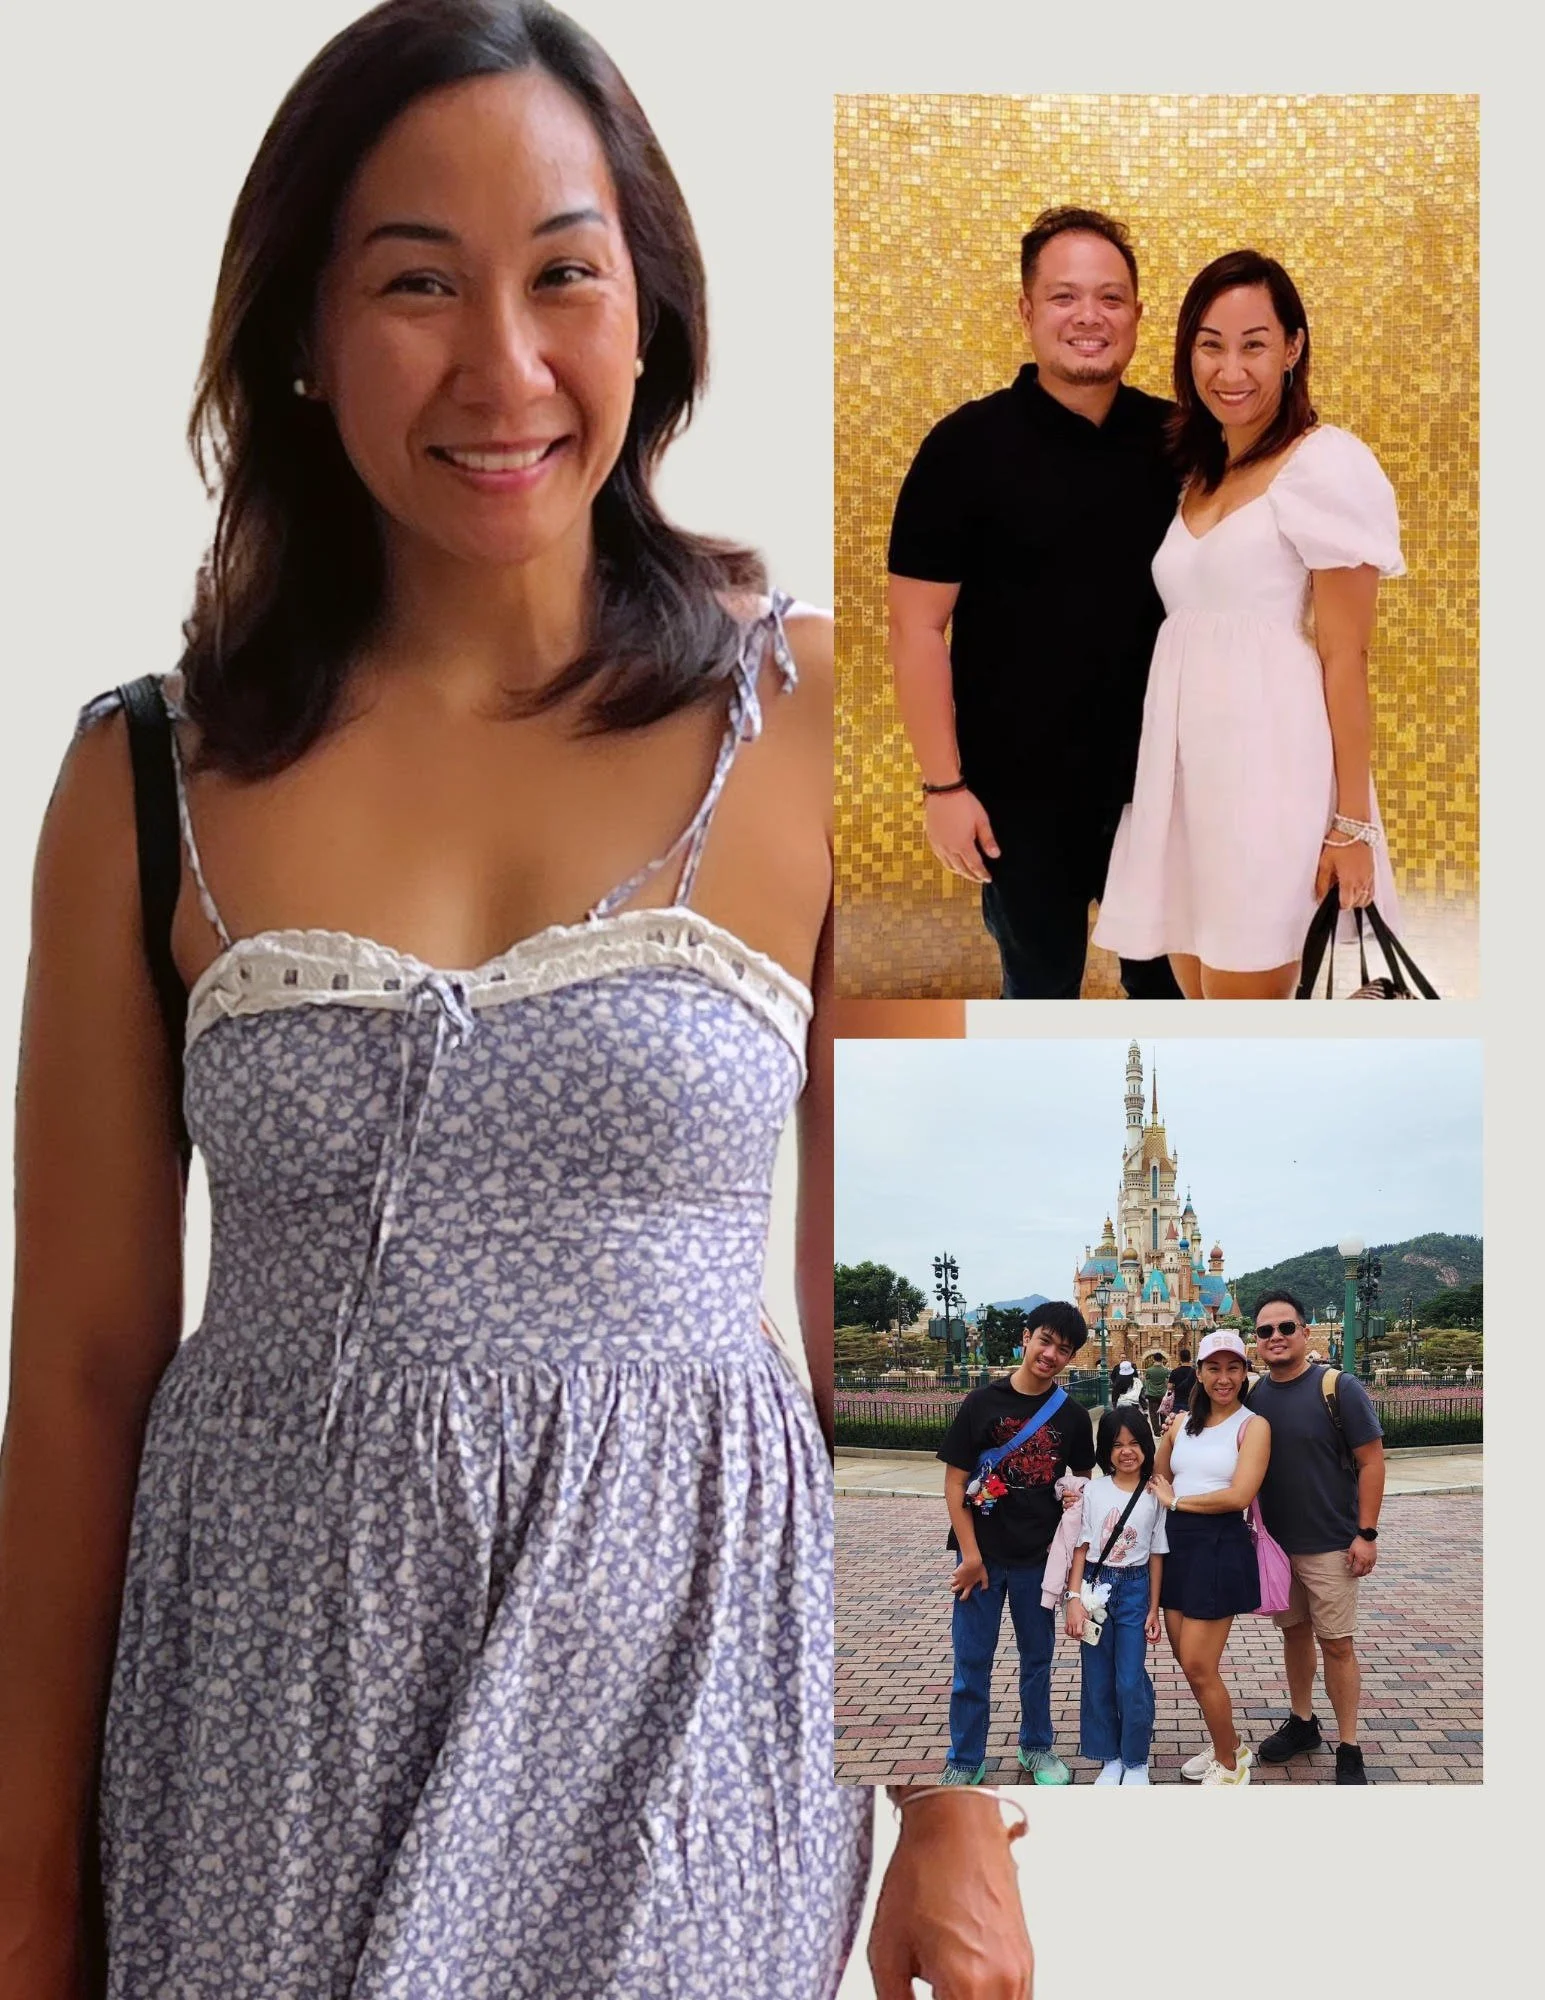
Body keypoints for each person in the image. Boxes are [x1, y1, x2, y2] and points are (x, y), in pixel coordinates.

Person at [0, 7, 1034, 1995]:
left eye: (564, 273)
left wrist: (957, 1814)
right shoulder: (142, 779)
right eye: (416, 284)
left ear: (651, 313)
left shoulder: (823, 722)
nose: (503, 364)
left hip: (694, 1713)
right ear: (305, 336)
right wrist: (27, 1886)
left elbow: (910, 1328)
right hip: (263, 1725)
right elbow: (77, 1381)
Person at [886, 205, 1183, 1000]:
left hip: (1160, 789)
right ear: (1025, 311)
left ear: (1136, 314)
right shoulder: (962, 448)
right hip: (1015, 800)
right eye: (1063, 297)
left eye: (1110, 298)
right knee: (1038, 992)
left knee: (1168, 994)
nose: (1089, 316)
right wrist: (942, 788)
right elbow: (915, 628)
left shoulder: (1182, 441)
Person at [1093, 249, 1406, 998]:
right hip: (1184, 787)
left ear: (1292, 348)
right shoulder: (1200, 473)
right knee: (1203, 1014)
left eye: (1253, 345)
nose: (1229, 369)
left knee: (1246, 1026)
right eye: (1211, 345)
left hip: (1269, 783)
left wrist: (1351, 826)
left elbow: (1345, 656)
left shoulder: (1325, 465)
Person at [935, 1301, 1097, 1784]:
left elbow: (1083, 1479)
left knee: (1037, 1659)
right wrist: (970, 1556)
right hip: (980, 1558)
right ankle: (965, 1758)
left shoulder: (1071, 1415)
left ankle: (1036, 1747)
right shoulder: (981, 1403)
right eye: (1045, 1341)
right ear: (1026, 1338)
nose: (1050, 1355)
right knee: (971, 1662)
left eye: (1063, 1350)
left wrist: (1072, 1503)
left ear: (1070, 1357)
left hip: (1038, 1558)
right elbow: (954, 1482)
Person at [1245, 1291, 1386, 1784]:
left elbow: (1372, 1461)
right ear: (1256, 1340)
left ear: (1305, 1332)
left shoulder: (1336, 1387)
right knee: (1294, 1634)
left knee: (1338, 1644)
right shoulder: (1255, 1396)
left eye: (1286, 1327)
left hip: (1330, 1544)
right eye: (1265, 1330)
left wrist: (1366, 1533)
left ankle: (1349, 1744)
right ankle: (1303, 1721)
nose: (1276, 1337)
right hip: (1278, 1546)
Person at [1149, 1330, 1270, 1785]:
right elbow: (1160, 1478)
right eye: (1214, 1368)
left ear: (1245, 1373)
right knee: (1188, 1661)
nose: (1224, 1378)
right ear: (1198, 1373)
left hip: (1218, 1546)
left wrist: (1178, 1502)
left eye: (1233, 1368)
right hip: (1176, 1545)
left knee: (1201, 1665)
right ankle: (1229, 1745)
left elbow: (1239, 1495)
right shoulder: (1183, 1423)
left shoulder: (1253, 1426)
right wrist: (1166, 1439)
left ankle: (1231, 1768)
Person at [1064, 1409, 1166, 1784]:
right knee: (1098, 1678)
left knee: (1130, 1678)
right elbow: (1081, 1547)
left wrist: (1154, 1608)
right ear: (1105, 1450)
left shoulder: (1155, 1494)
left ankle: (1136, 1760)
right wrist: (1074, 1598)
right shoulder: (1094, 1491)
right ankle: (1110, 1757)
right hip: (1096, 1586)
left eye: (1135, 1443)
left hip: (1136, 1588)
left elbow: (1157, 1554)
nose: (1127, 1451)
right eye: (1117, 1444)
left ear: (1146, 1446)